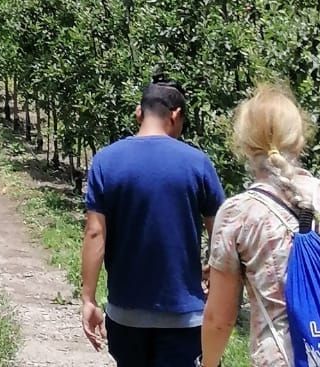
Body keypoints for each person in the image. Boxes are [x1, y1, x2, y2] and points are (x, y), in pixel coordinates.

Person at [202, 82, 320, 366]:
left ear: (243, 145)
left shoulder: (238, 214)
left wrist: (208, 363)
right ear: (301, 139)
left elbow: (220, 318)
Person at [81, 73, 225, 366]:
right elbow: (222, 231)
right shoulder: (197, 163)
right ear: (176, 115)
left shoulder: (106, 161)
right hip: (184, 318)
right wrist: (212, 268)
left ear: (138, 112)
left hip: (125, 317)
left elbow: (95, 233)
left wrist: (88, 298)